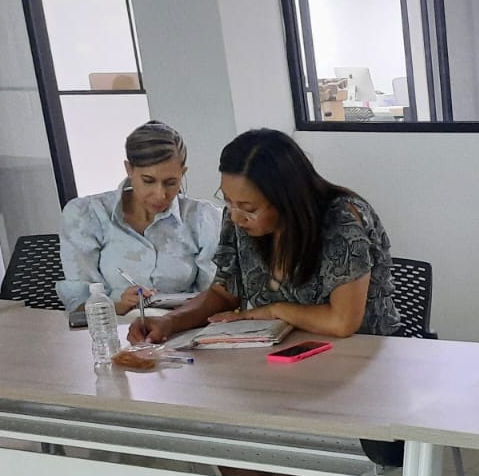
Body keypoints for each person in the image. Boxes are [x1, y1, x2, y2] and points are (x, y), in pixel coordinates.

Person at [131, 128, 399, 344]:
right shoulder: (237, 218)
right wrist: (169, 322)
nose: (236, 217)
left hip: (361, 354)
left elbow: (342, 322)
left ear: (287, 199)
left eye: (249, 208)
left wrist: (275, 310)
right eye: (228, 201)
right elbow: (224, 294)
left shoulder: (341, 220)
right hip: (280, 351)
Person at [55, 120, 219, 314]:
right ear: (129, 169)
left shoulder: (203, 218)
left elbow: (217, 294)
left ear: (183, 173)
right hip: (116, 324)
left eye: (171, 183)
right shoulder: (87, 214)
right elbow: (78, 302)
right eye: (148, 181)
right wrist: (119, 306)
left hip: (186, 323)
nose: (160, 195)